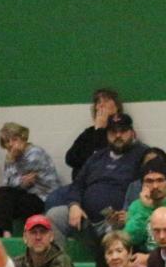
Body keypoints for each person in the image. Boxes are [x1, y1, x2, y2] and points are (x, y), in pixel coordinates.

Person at [48, 111, 147, 259]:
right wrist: (74, 205)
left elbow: (149, 186)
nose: (118, 136)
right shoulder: (96, 157)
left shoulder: (142, 155)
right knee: (54, 216)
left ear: (132, 133)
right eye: (113, 132)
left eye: (123, 131)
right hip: (86, 219)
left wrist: (130, 213)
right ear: (107, 135)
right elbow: (77, 184)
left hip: (119, 222)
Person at [0, 123, 61, 236]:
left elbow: (21, 183)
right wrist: (19, 181)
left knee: (8, 197)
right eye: (7, 141)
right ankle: (5, 233)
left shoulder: (35, 153)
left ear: (23, 137)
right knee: (2, 192)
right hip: (25, 194)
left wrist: (12, 163)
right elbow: (9, 183)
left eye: (14, 139)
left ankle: (12, 234)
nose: (11, 144)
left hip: (43, 197)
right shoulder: (11, 157)